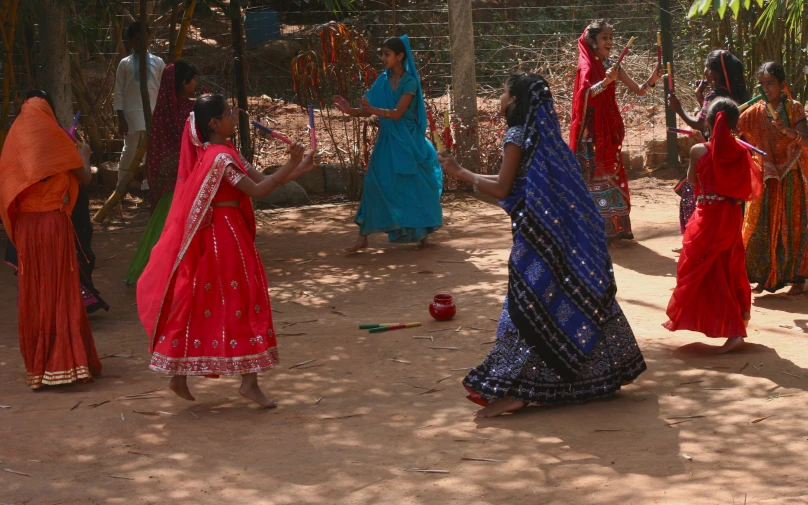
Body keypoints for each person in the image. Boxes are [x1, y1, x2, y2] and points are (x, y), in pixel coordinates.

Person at [437, 74, 647, 417]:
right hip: (561, 238)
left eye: (504, 92)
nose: (500, 97)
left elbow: (504, 188)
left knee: (530, 305)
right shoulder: (547, 140)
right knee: (569, 295)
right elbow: (515, 184)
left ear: (516, 101)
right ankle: (606, 371)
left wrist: (462, 174)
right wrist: (467, 175)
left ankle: (520, 389)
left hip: (536, 238)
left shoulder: (516, 136)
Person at [136, 95, 318, 407]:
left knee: (204, 300)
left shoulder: (223, 152)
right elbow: (260, 191)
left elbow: (262, 180)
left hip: (224, 235)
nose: (235, 117)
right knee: (242, 300)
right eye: (228, 113)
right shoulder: (221, 159)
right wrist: (290, 163)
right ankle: (248, 382)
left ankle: (180, 375)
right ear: (214, 124)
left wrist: (300, 167)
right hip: (225, 237)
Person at [0, 91, 102, 389]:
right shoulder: (58, 140)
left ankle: (40, 365)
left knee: (35, 289)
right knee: (61, 288)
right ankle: (68, 362)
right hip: (54, 225)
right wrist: (84, 154)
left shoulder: (13, 143)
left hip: (26, 230)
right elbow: (83, 177)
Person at [663, 98, 762, 353]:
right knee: (728, 264)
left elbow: (691, 180)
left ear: (708, 121)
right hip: (729, 215)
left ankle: (733, 330)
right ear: (734, 124)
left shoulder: (698, 151)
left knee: (704, 266)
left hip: (706, 215)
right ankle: (737, 322)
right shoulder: (742, 151)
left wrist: (701, 146)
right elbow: (745, 191)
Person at [333, 35, 443, 252]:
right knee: (374, 183)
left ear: (400, 56)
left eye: (387, 54)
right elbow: (368, 109)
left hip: (408, 140)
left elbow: (397, 113)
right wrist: (351, 111)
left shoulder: (409, 82)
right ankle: (363, 237)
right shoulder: (383, 80)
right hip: (388, 140)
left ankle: (422, 234)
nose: (383, 58)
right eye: (382, 53)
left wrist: (372, 110)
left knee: (415, 184)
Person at [570, 19, 663, 244]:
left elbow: (639, 91)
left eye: (611, 37)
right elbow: (584, 96)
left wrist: (653, 78)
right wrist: (605, 81)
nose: (610, 41)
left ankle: (613, 228)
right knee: (592, 180)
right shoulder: (586, 66)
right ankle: (591, 230)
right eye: (605, 37)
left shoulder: (613, 65)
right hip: (590, 136)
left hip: (608, 133)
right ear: (592, 41)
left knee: (609, 177)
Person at [737, 62, 808, 295]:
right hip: (765, 177)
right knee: (762, 225)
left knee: (793, 226)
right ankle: (765, 276)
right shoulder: (753, 113)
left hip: (791, 176)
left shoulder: (794, 108)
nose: (766, 89)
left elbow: (806, 140)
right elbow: (734, 130)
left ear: (782, 85)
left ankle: (797, 279)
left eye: (771, 84)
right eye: (762, 84)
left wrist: (787, 131)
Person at [124, 60, 198, 285]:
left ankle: (149, 270)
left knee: (162, 226)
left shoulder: (163, 109)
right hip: (185, 174)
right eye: (193, 79)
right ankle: (172, 272)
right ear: (185, 83)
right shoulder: (189, 109)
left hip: (167, 174)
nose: (196, 83)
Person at [668, 50, 748, 252]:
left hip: (712, 152)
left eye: (707, 67)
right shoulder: (735, 94)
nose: (704, 71)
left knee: (689, 190)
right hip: (733, 149)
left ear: (713, 72)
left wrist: (678, 109)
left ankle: (695, 237)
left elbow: (700, 123)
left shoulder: (714, 95)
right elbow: (717, 119)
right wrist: (699, 98)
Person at [114, 21, 165, 194]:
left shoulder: (158, 62)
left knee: (150, 151)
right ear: (130, 41)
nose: (142, 43)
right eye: (137, 39)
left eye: (145, 39)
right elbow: (119, 91)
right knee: (129, 150)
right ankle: (121, 184)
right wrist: (121, 118)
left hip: (153, 112)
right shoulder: (124, 64)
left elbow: (163, 89)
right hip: (130, 114)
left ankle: (148, 186)